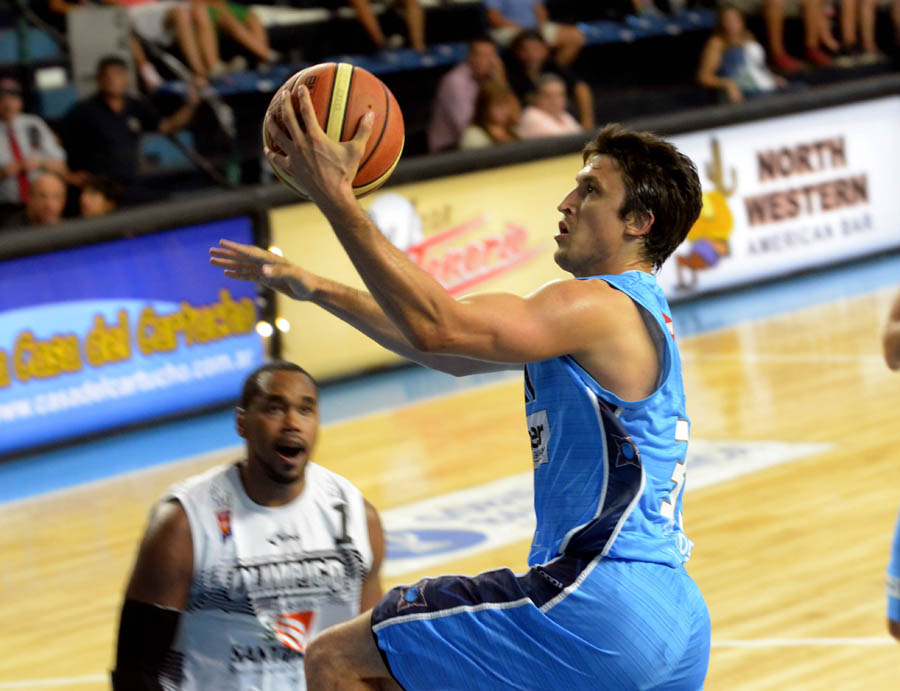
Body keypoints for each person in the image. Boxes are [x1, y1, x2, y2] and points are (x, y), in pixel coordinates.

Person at [213, 85, 710, 688]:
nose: (567, 202)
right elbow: (445, 350)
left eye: (590, 190)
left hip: (598, 602)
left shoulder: (599, 305)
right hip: (676, 614)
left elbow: (438, 324)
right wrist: (319, 288)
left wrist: (337, 198)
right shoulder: (630, 314)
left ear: (638, 222)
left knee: (336, 659)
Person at [111, 360, 385, 689]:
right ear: (242, 422)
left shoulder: (357, 518)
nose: (292, 423)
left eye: (305, 410)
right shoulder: (183, 524)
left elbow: (373, 653)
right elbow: (135, 670)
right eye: (274, 409)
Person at [62, 55, 198, 204]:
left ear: (126, 77)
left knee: (165, 204)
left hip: (129, 184)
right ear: (99, 80)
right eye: (106, 76)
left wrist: (191, 103)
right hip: (97, 187)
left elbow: (167, 127)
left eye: (117, 74)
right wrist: (68, 175)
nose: (112, 80)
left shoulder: (136, 106)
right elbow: (58, 140)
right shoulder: (83, 111)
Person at [0, 76, 67, 223]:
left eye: (12, 98)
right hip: (6, 208)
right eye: (2, 99)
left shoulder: (34, 124)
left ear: (20, 101)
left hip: (43, 206)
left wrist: (40, 163)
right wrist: (3, 173)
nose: (7, 104)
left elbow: (61, 166)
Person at [427, 37, 507, 152]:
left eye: (489, 55)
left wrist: (500, 80)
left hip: (484, 136)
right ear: (469, 56)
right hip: (449, 148)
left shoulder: (493, 77)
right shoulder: (454, 81)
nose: (484, 60)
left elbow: (511, 114)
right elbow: (465, 127)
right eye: (479, 55)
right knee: (476, 138)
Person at [505, 29, 595, 130]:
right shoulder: (510, 74)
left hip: (555, 117)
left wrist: (587, 122)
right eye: (525, 50)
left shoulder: (552, 66)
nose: (531, 54)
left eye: (535, 49)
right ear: (516, 52)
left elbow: (581, 87)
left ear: (545, 49)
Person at [697, 5, 788, 103]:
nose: (732, 24)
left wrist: (770, 77)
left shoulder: (748, 37)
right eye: (728, 20)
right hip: (743, 92)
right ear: (721, 23)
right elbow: (704, 77)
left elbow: (756, 66)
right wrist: (728, 84)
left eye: (735, 20)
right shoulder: (717, 43)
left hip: (762, 86)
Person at [485, 0, 585, 67]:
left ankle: (552, 73)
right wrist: (524, 31)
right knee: (530, 45)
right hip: (507, 29)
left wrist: (539, 29)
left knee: (575, 36)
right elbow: (494, 19)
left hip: (534, 28)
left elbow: (541, 12)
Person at [458, 80, 520, 149]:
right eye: (499, 105)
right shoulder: (474, 135)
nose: (505, 110)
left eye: (507, 104)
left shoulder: (513, 130)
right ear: (484, 107)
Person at [518, 73, 582, 138]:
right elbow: (561, 140)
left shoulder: (564, 115)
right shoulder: (531, 115)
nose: (555, 101)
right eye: (548, 96)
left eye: (559, 95)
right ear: (535, 97)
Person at [1, 171, 67, 229]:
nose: (49, 205)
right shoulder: (10, 230)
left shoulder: (67, 229)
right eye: (42, 197)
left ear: (63, 201)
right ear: (29, 198)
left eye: (56, 197)